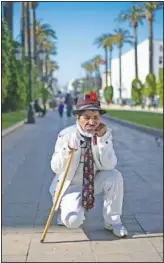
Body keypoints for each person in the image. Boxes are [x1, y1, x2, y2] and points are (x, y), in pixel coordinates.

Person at [49, 92, 128, 238]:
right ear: (77, 118)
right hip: (71, 185)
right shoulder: (65, 135)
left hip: (93, 181)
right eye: (87, 117)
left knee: (114, 176)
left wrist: (103, 141)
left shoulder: (104, 134)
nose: (92, 122)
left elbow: (109, 165)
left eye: (96, 117)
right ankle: (67, 209)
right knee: (73, 221)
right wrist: (67, 149)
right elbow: (56, 167)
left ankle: (113, 221)